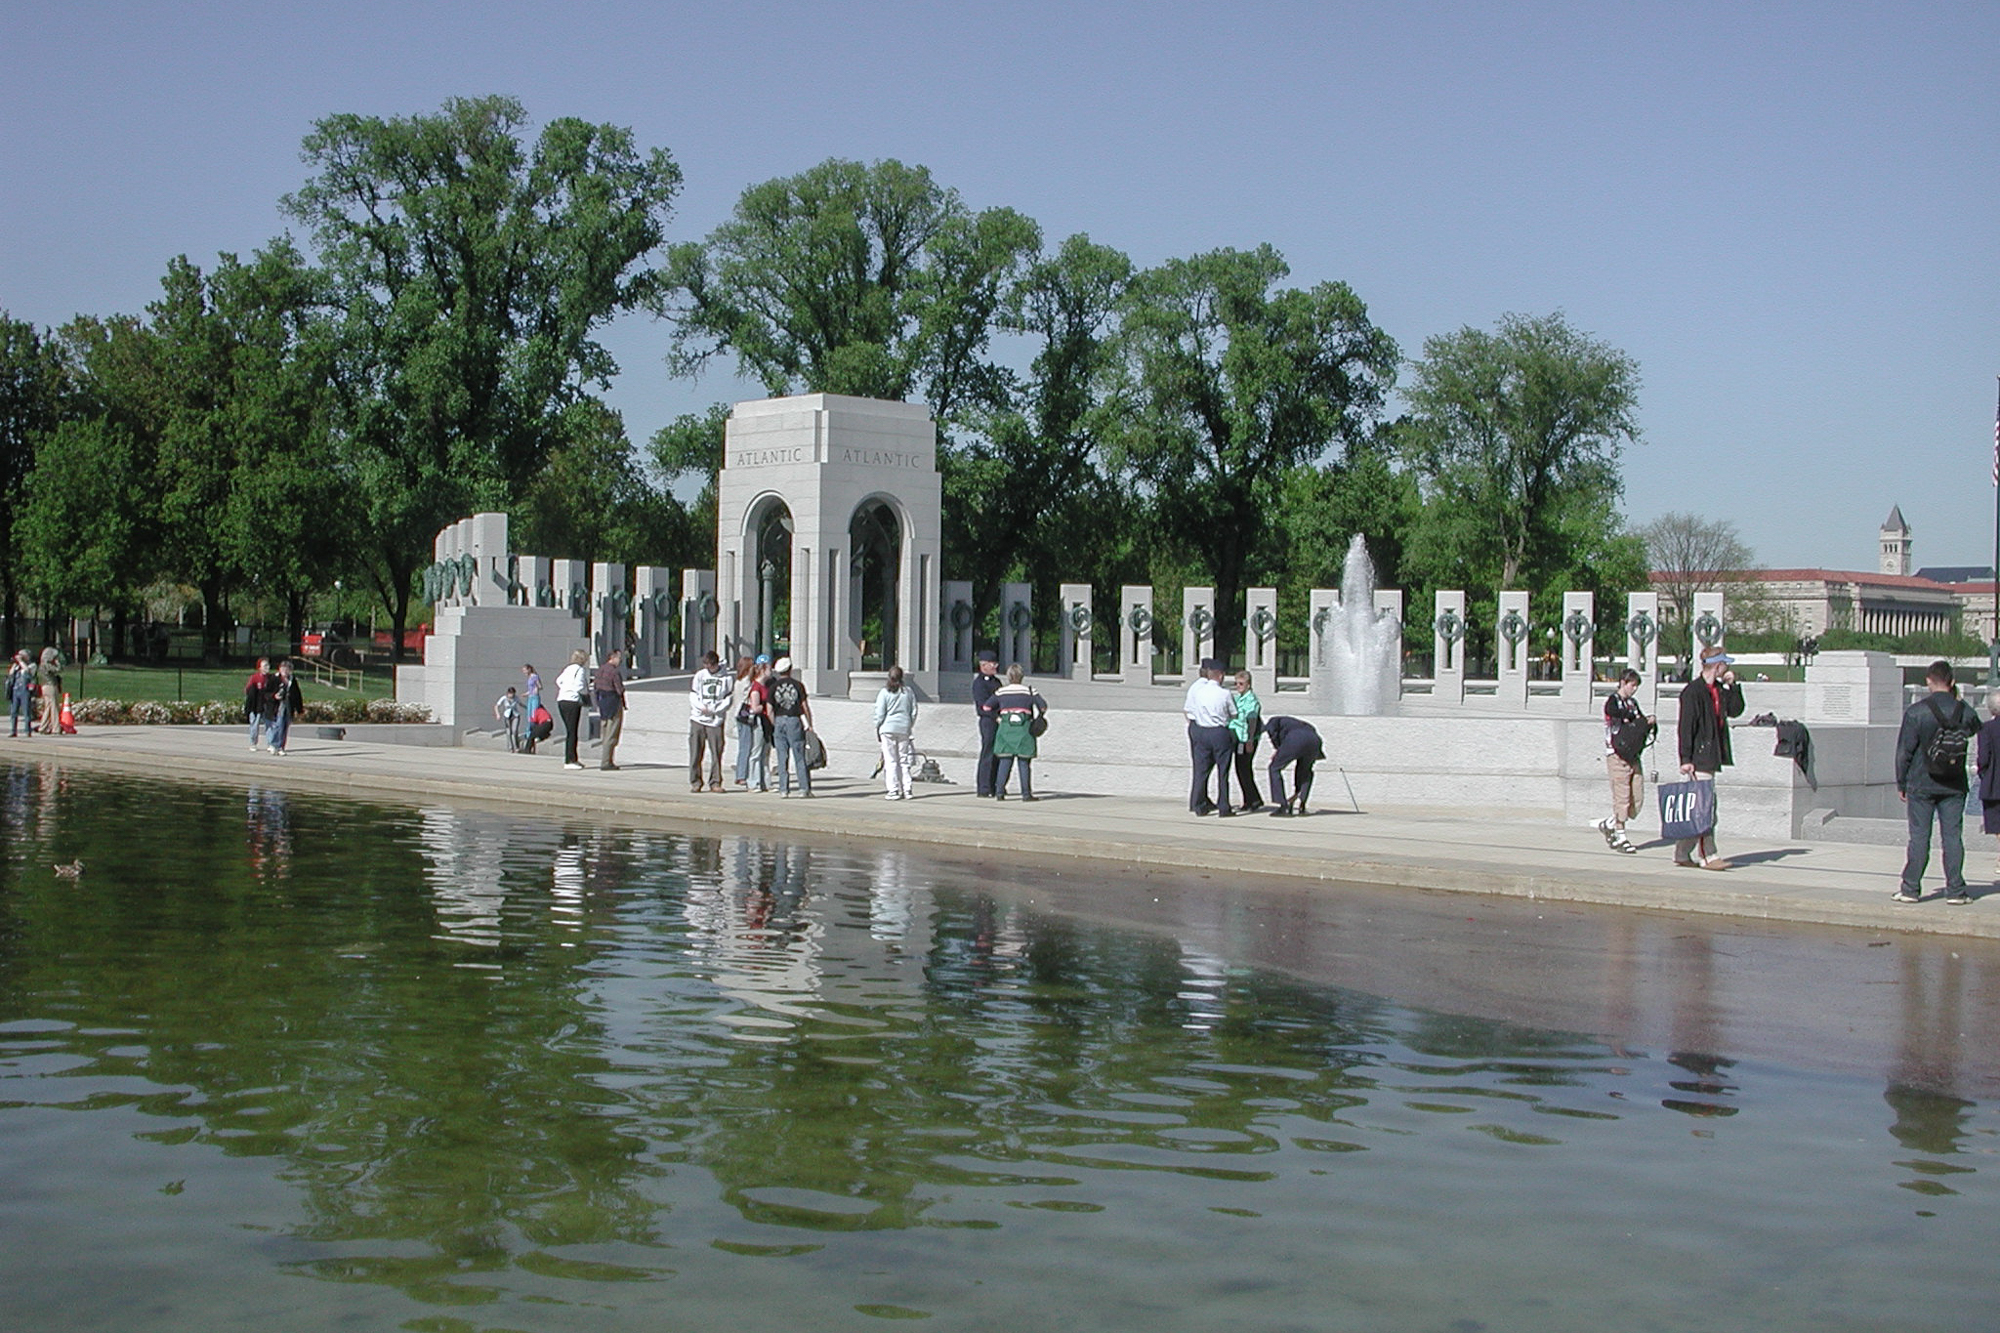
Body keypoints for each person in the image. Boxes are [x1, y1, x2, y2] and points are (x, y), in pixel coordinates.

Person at [1892, 659, 1978, 905]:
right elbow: (1974, 728)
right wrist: (1957, 699)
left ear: (1928, 681)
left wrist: (1902, 783)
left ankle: (1910, 889)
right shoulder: (1964, 711)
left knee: (1919, 837)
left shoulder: (1916, 712)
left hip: (1921, 782)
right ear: (1952, 682)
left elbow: (1904, 752)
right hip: (1954, 784)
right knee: (1952, 837)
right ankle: (1956, 891)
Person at [1674, 647, 1744, 870]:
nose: (1728, 668)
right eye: (1725, 664)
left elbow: (1735, 710)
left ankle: (1682, 852)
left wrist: (1732, 687)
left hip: (1712, 755)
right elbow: (1685, 727)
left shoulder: (1718, 689)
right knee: (1705, 807)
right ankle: (1708, 855)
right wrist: (1685, 758)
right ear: (1717, 665)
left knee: (1700, 807)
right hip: (1699, 756)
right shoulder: (1693, 692)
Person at [1596, 668, 1656, 854]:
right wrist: (1630, 718)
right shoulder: (1614, 701)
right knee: (1621, 796)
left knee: (1636, 797)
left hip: (1633, 754)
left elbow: (1639, 721)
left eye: (1637, 686)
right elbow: (1611, 711)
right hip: (1616, 753)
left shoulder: (1633, 703)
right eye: (1632, 685)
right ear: (1623, 682)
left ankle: (1610, 823)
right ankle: (1620, 835)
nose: (1634, 689)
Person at [1184, 658, 1237, 817]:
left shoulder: (1199, 691)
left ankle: (1199, 806)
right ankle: (1223, 806)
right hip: (1219, 732)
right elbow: (1233, 713)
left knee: (1201, 770)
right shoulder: (1224, 693)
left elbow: (1190, 711)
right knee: (1223, 772)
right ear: (1220, 676)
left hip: (1202, 731)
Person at [991, 664, 1047, 801]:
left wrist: (998, 718)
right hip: (1024, 730)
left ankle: (999, 792)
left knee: (1005, 761)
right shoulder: (1030, 691)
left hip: (1006, 729)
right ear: (1022, 676)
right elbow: (1043, 706)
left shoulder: (1001, 692)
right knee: (1024, 763)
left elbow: (987, 706)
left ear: (1008, 677)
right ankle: (1026, 794)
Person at [870, 665, 919, 799]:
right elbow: (914, 711)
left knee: (891, 760)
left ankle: (893, 790)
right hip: (904, 728)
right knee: (904, 760)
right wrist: (909, 725)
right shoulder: (908, 692)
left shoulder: (884, 692)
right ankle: (907, 789)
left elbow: (880, 713)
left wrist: (877, 726)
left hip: (887, 729)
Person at [767, 656, 813, 797]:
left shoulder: (773, 687)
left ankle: (783, 790)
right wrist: (809, 724)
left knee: (782, 757)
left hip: (779, 720)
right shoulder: (798, 685)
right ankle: (803, 789)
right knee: (799, 755)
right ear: (790, 669)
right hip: (794, 720)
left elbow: (769, 709)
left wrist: (775, 724)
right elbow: (804, 706)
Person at [1262, 716, 1324, 816]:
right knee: (1305, 771)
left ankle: (1283, 805)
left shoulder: (1273, 721)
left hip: (1295, 739)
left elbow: (1273, 733)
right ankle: (1302, 804)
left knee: (1274, 768)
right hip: (1314, 741)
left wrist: (1278, 749)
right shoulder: (1300, 723)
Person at [687, 650, 731, 792]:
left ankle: (715, 782)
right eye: (706, 665)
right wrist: (701, 707)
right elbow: (693, 694)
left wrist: (715, 709)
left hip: (715, 720)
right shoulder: (700, 675)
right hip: (698, 718)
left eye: (710, 666)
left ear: (716, 664)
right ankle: (695, 781)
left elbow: (729, 698)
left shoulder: (726, 678)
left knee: (716, 753)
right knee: (695, 752)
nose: (708, 668)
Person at [1228, 669, 1265, 812]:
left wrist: (1249, 740)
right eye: (1236, 683)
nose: (1238, 686)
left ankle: (1252, 800)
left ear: (1248, 684)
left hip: (1246, 739)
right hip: (1238, 738)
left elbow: (1252, 720)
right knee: (1241, 770)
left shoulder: (1251, 700)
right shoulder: (1238, 699)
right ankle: (1251, 799)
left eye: (1241, 684)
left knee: (1244, 769)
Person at [971, 650, 1002, 797]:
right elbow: (982, 707)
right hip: (988, 721)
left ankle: (994, 785)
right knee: (987, 754)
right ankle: (983, 787)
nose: (995, 666)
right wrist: (995, 715)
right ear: (983, 665)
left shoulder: (997, 682)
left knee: (997, 755)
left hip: (999, 721)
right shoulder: (979, 683)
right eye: (992, 664)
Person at [1977, 688, 2000, 881]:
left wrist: (1983, 773)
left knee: (1997, 823)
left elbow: (1983, 758)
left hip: (1995, 783)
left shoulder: (1986, 729)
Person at [730, 655, 761, 787]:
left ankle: (743, 773)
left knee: (744, 745)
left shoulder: (738, 681)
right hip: (745, 715)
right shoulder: (746, 682)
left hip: (739, 715)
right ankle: (741, 775)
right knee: (746, 746)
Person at [555, 649, 589, 770]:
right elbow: (579, 686)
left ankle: (573, 758)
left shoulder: (568, 668)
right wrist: (583, 691)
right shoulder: (580, 670)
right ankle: (569, 760)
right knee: (572, 732)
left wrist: (565, 688)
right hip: (572, 701)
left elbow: (558, 681)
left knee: (570, 731)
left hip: (561, 700)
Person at [594, 649, 627, 771]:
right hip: (613, 703)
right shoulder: (614, 672)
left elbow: (596, 687)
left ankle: (606, 759)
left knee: (605, 732)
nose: (620, 660)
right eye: (619, 658)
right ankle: (606, 761)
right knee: (612, 734)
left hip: (603, 704)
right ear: (612, 658)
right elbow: (619, 689)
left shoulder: (600, 670)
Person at [266, 659, 302, 756]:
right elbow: (266, 693)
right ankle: (273, 744)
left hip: (288, 706)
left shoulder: (292, 680)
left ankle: (281, 746)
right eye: (283, 669)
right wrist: (274, 696)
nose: (285, 672)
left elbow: (297, 695)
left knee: (285, 726)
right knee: (277, 725)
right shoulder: (274, 678)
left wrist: (299, 709)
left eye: (287, 670)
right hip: (276, 707)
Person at [243, 657, 272, 750]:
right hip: (256, 705)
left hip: (266, 705)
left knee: (269, 724)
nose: (267, 667)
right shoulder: (255, 678)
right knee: (255, 725)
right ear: (259, 667)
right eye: (265, 665)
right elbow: (248, 690)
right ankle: (253, 743)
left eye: (268, 665)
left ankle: (270, 743)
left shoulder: (270, 678)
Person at [36, 645, 62, 736]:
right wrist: (57, 663)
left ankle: (43, 727)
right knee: (54, 707)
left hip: (44, 687)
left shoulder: (40, 665)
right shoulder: (47, 665)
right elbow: (59, 669)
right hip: (51, 686)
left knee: (48, 707)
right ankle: (56, 728)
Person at [7, 650, 33, 738]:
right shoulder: (17, 666)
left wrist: (21, 661)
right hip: (16, 690)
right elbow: (10, 674)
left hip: (25, 690)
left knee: (26, 711)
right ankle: (13, 730)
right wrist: (15, 664)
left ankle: (27, 731)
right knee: (13, 712)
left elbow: (27, 670)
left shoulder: (31, 665)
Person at [520, 664, 543, 753]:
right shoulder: (529, 678)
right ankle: (528, 734)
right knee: (529, 717)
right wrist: (525, 694)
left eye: (525, 670)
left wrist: (536, 689)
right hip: (530, 697)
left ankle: (533, 735)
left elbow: (539, 686)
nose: (524, 672)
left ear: (529, 669)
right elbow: (530, 690)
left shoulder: (534, 676)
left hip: (534, 697)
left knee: (533, 716)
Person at [494, 685, 524, 752]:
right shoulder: (504, 698)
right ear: (507, 693)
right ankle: (510, 747)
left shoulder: (516, 698)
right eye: (510, 693)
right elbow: (496, 706)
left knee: (514, 730)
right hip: (507, 716)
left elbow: (520, 704)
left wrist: (527, 708)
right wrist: (497, 714)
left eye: (513, 693)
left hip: (515, 715)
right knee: (508, 732)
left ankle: (517, 746)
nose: (511, 695)